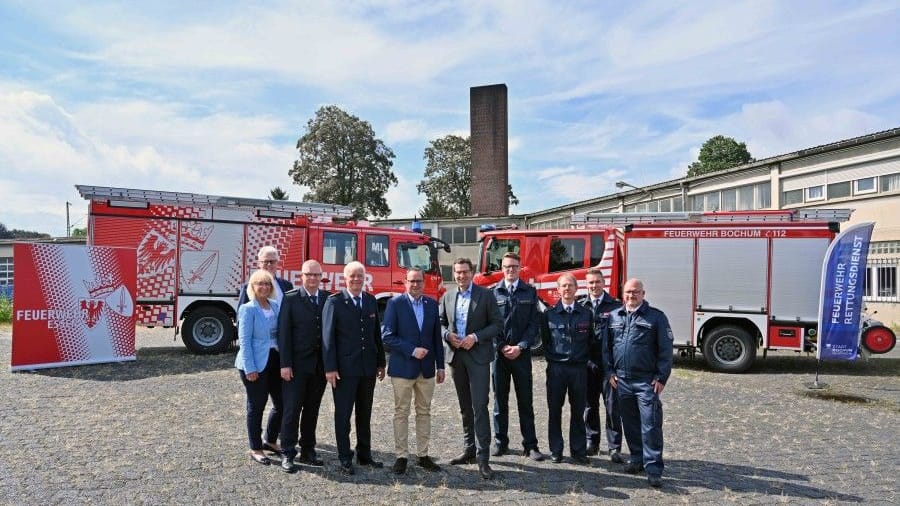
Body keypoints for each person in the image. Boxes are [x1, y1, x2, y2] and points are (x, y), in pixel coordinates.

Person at [604, 278, 673, 488]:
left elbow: (666, 350)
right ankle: (636, 459)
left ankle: (653, 468)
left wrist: (661, 377)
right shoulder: (614, 316)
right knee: (630, 424)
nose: (631, 296)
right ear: (622, 294)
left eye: (635, 292)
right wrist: (609, 372)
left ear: (643, 293)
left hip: (646, 382)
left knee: (650, 425)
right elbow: (606, 348)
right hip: (621, 380)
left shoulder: (656, 317)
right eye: (627, 292)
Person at [440, 257, 503, 480]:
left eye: (465, 272)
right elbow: (440, 323)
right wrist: (448, 335)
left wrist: (475, 337)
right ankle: (469, 449)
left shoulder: (485, 295)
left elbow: (497, 324)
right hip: (457, 358)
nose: (461, 276)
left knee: (479, 406)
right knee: (465, 407)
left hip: (478, 358)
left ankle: (483, 457)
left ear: (472, 272)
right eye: (457, 272)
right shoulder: (447, 296)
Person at [323, 261, 386, 475]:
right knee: (343, 415)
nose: (357, 279)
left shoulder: (369, 300)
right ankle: (344, 457)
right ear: (345, 278)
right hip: (344, 370)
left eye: (360, 276)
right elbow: (328, 338)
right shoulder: (335, 302)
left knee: (364, 413)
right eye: (352, 276)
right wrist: (330, 368)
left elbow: (375, 334)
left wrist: (380, 362)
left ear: (365, 278)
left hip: (367, 368)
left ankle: (364, 455)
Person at [381, 267, 445, 475]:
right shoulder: (395, 304)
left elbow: (437, 338)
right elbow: (387, 336)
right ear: (405, 282)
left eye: (419, 281)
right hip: (403, 369)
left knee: (424, 412)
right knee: (401, 412)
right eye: (412, 281)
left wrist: (441, 366)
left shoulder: (432, 305)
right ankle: (401, 456)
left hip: (427, 370)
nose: (415, 284)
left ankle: (423, 455)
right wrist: (412, 350)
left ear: (424, 283)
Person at [491, 252, 544, 461]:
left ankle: (530, 445)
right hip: (499, 356)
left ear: (520, 268)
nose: (510, 270)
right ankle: (500, 443)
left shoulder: (529, 292)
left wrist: (521, 346)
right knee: (499, 402)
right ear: (502, 269)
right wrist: (502, 346)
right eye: (506, 267)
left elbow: (534, 324)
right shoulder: (493, 293)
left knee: (525, 401)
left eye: (514, 266)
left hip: (521, 356)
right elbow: (491, 324)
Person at [277, 259, 329, 473]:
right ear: (302, 276)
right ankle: (288, 452)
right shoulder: (290, 299)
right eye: (309, 274)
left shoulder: (327, 299)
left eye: (317, 275)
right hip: (296, 367)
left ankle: (308, 449)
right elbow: (284, 334)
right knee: (291, 410)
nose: (313, 278)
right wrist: (285, 364)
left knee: (312, 410)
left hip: (319, 367)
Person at [542, 273, 596, 465]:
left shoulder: (586, 313)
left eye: (570, 286)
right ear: (558, 290)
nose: (567, 289)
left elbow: (590, 341)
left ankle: (578, 450)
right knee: (554, 410)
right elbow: (545, 340)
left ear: (576, 289)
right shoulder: (549, 314)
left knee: (578, 411)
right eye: (563, 286)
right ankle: (556, 450)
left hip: (579, 370)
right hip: (556, 369)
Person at [234, 269, 284, 465]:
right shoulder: (248, 309)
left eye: (267, 284)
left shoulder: (274, 305)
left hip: (274, 359)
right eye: (259, 284)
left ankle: (270, 440)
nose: (264, 287)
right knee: (257, 405)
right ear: (252, 287)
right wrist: (250, 368)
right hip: (254, 362)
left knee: (281, 402)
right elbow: (244, 341)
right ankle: (255, 447)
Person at [579, 268, 624, 462]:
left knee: (613, 406)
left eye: (597, 282)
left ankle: (614, 447)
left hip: (608, 365)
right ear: (586, 285)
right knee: (589, 405)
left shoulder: (615, 306)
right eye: (590, 283)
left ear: (603, 282)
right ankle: (592, 440)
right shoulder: (581, 305)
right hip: (587, 364)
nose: (594, 286)